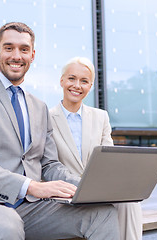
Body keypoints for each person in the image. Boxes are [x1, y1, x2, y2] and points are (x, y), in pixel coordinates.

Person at [0, 22, 120, 240]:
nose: (16, 55)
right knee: (7, 226)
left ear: (32, 55)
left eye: (24, 49)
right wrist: (31, 186)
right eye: (9, 48)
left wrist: (89, 186)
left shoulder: (39, 107)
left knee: (102, 214)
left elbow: (49, 164)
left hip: (31, 209)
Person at [49, 57, 143, 240]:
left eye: (84, 81)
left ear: (90, 86)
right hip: (65, 194)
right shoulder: (45, 117)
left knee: (130, 201)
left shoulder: (101, 117)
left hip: (98, 190)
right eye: (71, 78)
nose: (77, 85)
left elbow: (109, 162)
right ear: (62, 81)